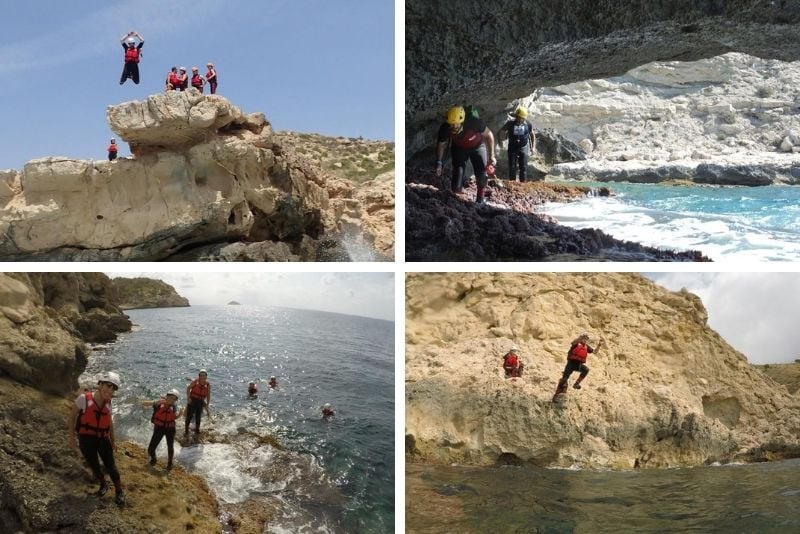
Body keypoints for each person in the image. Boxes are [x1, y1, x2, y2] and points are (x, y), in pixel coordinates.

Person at [68, 372, 126, 506]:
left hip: (103, 439)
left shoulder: (109, 402)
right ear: (100, 384)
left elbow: (109, 422)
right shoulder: (83, 399)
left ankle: (119, 491)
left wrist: (113, 440)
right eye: (108, 385)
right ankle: (103, 483)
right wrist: (71, 438)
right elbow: (71, 418)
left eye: (113, 388)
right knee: (94, 466)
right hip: (86, 440)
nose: (110, 390)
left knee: (112, 467)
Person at [434, 105, 496, 203]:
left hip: (478, 147)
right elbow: (441, 145)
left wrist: (492, 155)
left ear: (462, 121)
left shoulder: (474, 123)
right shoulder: (445, 128)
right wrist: (439, 163)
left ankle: (480, 199)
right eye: (451, 124)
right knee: (456, 183)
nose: (453, 126)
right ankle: (457, 201)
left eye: (456, 124)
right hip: (459, 149)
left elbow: (489, 135)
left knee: (481, 175)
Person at [553, 333, 604, 401]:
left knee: (586, 369)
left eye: (586, 339)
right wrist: (579, 338)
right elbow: (573, 342)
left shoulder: (586, 346)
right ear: (581, 338)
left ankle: (576, 384)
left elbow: (595, 352)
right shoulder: (576, 343)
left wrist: (599, 345)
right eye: (584, 338)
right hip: (570, 364)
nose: (585, 340)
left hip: (578, 365)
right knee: (564, 379)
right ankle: (556, 396)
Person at [142, 389, 183, 470]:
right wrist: (156, 402)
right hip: (159, 428)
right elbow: (144, 403)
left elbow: (174, 417)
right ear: (166, 397)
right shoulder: (159, 404)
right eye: (170, 397)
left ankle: (170, 464)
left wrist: (181, 414)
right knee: (151, 449)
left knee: (170, 447)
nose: (172, 400)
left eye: (174, 399)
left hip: (170, 428)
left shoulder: (173, 407)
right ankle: (154, 459)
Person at [499, 106, 536, 182]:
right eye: (518, 117)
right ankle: (512, 183)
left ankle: (523, 183)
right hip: (512, 147)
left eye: (522, 118)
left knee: (524, 167)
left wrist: (533, 147)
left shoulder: (528, 124)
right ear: (516, 116)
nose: (520, 119)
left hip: (523, 147)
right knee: (512, 167)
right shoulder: (510, 123)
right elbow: (500, 131)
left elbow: (532, 134)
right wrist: (501, 141)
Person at [185, 369, 211, 434]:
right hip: (192, 400)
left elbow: (208, 395)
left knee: (198, 417)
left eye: (204, 376)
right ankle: (186, 430)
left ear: (206, 377)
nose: (202, 377)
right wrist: (188, 398)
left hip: (200, 402)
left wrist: (207, 403)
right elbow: (188, 388)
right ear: (199, 376)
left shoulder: (208, 385)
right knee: (189, 416)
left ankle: (197, 430)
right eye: (201, 375)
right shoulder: (195, 382)